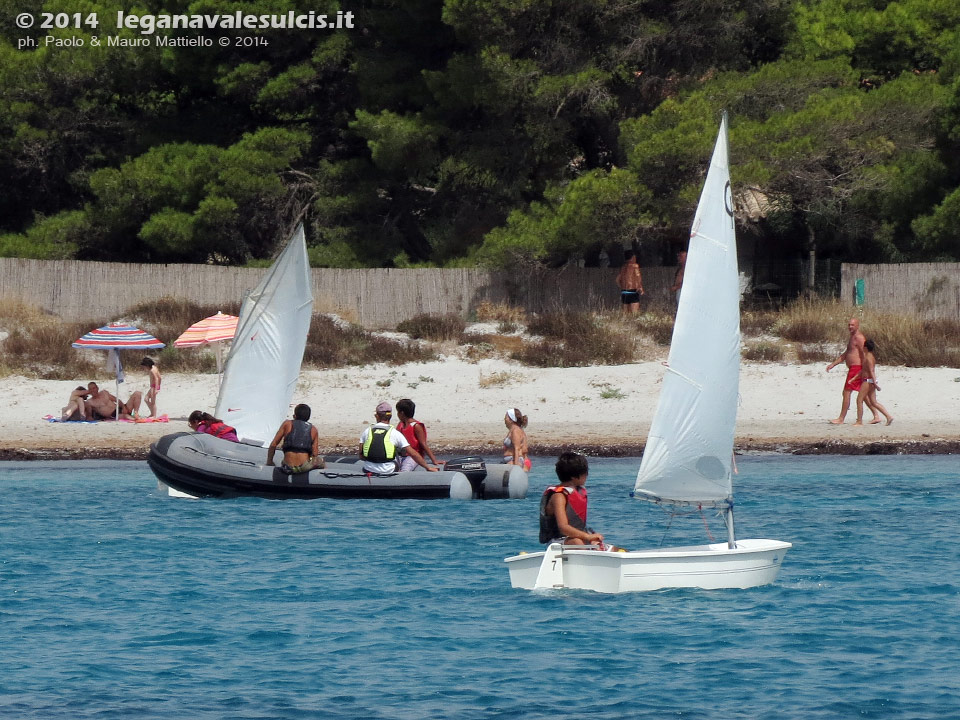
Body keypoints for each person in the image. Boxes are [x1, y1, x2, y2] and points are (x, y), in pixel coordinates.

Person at [539, 452, 605, 547]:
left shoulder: (576, 491)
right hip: (556, 543)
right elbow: (563, 528)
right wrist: (587, 537)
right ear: (574, 477)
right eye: (585, 473)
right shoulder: (559, 496)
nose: (587, 475)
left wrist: (590, 538)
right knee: (577, 542)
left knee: (603, 546)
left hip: (577, 537)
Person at [359, 401, 437, 474]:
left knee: (405, 467)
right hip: (393, 465)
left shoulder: (367, 431)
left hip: (369, 468)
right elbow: (413, 453)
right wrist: (428, 467)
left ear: (377, 416)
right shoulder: (395, 432)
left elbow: (361, 456)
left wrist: (434, 461)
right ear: (390, 416)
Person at [826, 317, 866, 424]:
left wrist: (864, 370)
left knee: (847, 392)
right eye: (849, 325)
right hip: (853, 368)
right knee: (865, 395)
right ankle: (878, 415)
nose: (850, 327)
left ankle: (841, 418)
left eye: (852, 325)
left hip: (857, 368)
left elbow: (864, 354)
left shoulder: (859, 338)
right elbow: (846, 354)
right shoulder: (852, 337)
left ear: (857, 325)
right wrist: (833, 364)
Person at [267, 403, 325, 474]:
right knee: (321, 461)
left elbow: (273, 444)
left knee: (283, 461)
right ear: (308, 417)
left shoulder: (287, 424)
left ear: (295, 416)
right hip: (303, 468)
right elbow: (315, 453)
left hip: (287, 467)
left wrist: (269, 462)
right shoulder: (313, 429)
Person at [854, 338, 894, 426]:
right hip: (870, 381)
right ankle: (888, 416)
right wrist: (854, 378)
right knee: (873, 402)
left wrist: (875, 383)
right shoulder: (868, 357)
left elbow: (871, 371)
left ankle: (859, 421)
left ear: (865, 347)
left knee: (859, 400)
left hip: (868, 381)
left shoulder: (869, 358)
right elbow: (863, 370)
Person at [395, 398, 442, 471]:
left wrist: (434, 460)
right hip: (401, 455)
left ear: (402, 413)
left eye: (398, 412)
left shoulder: (416, 426)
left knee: (405, 469)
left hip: (413, 456)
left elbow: (423, 444)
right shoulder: (400, 425)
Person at [615, 249, 644, 314]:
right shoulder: (635, 266)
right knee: (634, 314)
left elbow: (617, 280)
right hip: (633, 291)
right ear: (633, 257)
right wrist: (640, 287)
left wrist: (622, 287)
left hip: (624, 292)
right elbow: (637, 276)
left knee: (626, 314)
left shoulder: (623, 267)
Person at [503, 407, 531, 471]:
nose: (505, 419)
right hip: (513, 460)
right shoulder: (514, 429)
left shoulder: (515, 430)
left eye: (506, 417)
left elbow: (517, 448)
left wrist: (516, 467)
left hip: (514, 460)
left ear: (511, 419)